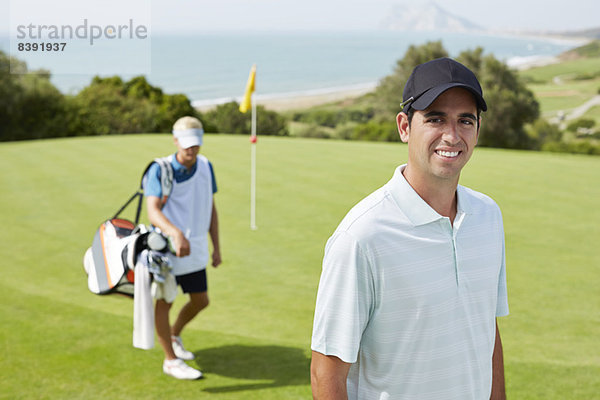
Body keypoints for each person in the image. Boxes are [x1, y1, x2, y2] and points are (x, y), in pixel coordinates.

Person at [311, 58, 509, 399]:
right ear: (404, 126)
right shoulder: (361, 237)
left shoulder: (488, 215)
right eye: (435, 119)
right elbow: (325, 373)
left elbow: (484, 329)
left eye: (465, 120)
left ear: (477, 129)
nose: (452, 135)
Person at [144, 116, 222, 380]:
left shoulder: (205, 166)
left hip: (196, 248)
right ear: (176, 140)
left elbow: (209, 207)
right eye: (187, 144)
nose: (192, 150)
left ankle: (174, 335)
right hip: (167, 250)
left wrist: (216, 247)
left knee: (201, 301)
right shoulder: (160, 169)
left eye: (196, 144)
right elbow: (152, 211)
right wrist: (175, 232)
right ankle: (170, 359)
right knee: (165, 300)